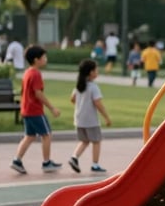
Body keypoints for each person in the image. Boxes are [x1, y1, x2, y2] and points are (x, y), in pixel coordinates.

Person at [10, 45, 61, 174]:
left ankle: (17, 161)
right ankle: (46, 162)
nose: (46, 59)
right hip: (35, 110)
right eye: (44, 57)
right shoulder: (36, 74)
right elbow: (38, 93)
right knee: (47, 135)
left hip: (26, 110)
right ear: (36, 59)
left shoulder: (28, 72)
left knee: (29, 136)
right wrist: (52, 108)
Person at [68, 59, 111, 174]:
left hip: (79, 119)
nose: (98, 72)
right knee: (96, 141)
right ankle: (95, 164)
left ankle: (74, 157)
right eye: (96, 70)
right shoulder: (93, 87)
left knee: (85, 140)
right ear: (91, 72)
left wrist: (82, 104)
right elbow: (98, 103)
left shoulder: (79, 86)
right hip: (91, 121)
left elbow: (72, 99)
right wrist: (106, 117)